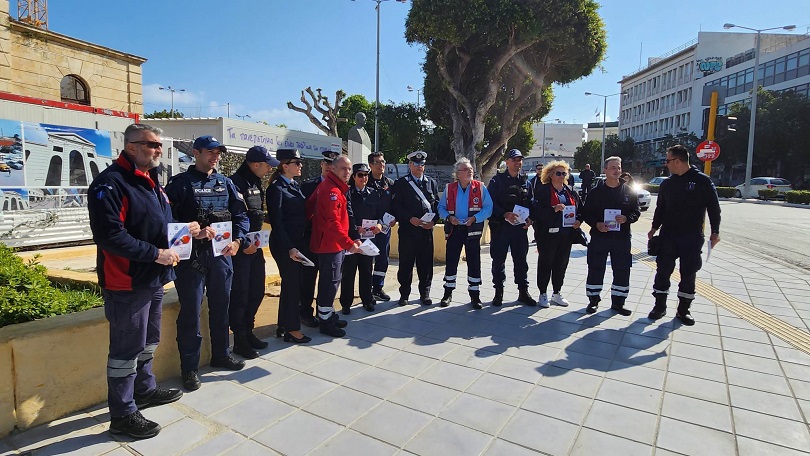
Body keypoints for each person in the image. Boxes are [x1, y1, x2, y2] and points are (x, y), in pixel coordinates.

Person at [88, 123, 195, 439]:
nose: (158, 150)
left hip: (153, 279)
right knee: (125, 351)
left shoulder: (150, 182)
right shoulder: (110, 184)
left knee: (149, 341)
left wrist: (186, 229)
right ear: (131, 146)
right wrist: (156, 254)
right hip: (126, 283)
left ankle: (144, 390)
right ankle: (122, 414)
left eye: (160, 146)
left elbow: (159, 224)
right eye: (152, 145)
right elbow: (110, 237)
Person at [164, 135, 250, 392]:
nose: (216, 156)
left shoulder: (226, 183)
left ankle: (221, 354)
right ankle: (189, 368)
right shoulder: (179, 185)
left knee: (222, 307)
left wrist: (238, 241)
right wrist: (192, 232)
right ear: (196, 152)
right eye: (211, 152)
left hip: (222, 257)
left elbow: (240, 216)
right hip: (192, 260)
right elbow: (167, 224)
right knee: (190, 312)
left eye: (219, 152)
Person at [648, 145, 721, 326]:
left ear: (678, 161)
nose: (666, 164)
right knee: (663, 271)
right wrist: (654, 228)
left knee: (688, 273)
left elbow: (714, 208)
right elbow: (661, 209)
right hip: (668, 236)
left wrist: (715, 232)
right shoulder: (667, 184)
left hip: (691, 237)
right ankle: (660, 306)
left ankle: (683, 310)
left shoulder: (702, 181)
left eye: (668, 161)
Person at [228, 146, 279, 359]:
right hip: (240, 248)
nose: (269, 169)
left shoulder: (256, 182)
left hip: (255, 246)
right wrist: (241, 242)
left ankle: (249, 331)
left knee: (257, 291)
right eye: (267, 165)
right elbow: (233, 217)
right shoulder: (235, 182)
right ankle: (239, 339)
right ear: (255, 164)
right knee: (240, 295)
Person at [308, 155, 362, 336]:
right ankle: (325, 323)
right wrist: (348, 244)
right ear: (333, 169)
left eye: (349, 169)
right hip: (330, 245)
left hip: (334, 244)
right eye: (343, 169)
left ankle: (327, 315)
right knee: (329, 284)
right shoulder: (331, 190)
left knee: (332, 281)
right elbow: (332, 222)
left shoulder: (336, 188)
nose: (347, 172)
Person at [266, 149, 314, 343]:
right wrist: (290, 248)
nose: (300, 165)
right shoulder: (276, 188)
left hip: (297, 242)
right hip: (285, 244)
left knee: (291, 284)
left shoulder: (294, 185)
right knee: (293, 284)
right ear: (285, 166)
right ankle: (292, 330)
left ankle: (283, 325)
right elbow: (277, 223)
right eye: (297, 162)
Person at [581, 157, 640, 316]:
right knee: (595, 267)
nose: (616, 170)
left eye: (618, 167)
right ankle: (593, 300)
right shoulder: (596, 192)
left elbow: (636, 212)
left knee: (622, 269)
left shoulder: (629, 191)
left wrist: (627, 218)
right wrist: (596, 224)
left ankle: (618, 302)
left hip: (621, 238)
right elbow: (587, 213)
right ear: (605, 170)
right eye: (612, 167)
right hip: (600, 237)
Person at [438, 158, 493, 309]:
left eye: (471, 170)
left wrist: (475, 218)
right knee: (451, 261)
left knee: (474, 262)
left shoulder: (480, 188)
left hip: (472, 229)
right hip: (455, 230)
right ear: (457, 174)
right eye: (466, 170)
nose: (470, 171)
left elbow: (488, 208)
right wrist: (449, 217)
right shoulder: (450, 189)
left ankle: (475, 296)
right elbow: (441, 208)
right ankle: (447, 293)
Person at [531, 160, 583, 308]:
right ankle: (543, 293)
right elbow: (536, 211)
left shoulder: (570, 191)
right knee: (545, 263)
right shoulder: (543, 190)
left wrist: (579, 220)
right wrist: (553, 209)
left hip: (566, 234)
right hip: (548, 234)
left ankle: (557, 293)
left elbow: (581, 210)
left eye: (564, 173)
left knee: (561, 264)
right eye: (558, 173)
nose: (561, 176)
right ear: (550, 175)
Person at [488, 149, 536, 306]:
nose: (518, 163)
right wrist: (504, 214)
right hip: (501, 228)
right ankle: (498, 292)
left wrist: (531, 219)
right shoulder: (497, 181)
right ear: (507, 162)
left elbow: (531, 204)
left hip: (519, 229)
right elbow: (489, 204)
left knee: (521, 261)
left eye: (520, 160)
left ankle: (523, 291)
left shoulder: (526, 182)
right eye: (514, 160)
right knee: (499, 260)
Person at [299, 150, 341, 328]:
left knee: (328, 280)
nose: (330, 167)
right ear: (322, 165)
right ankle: (306, 313)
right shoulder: (307, 186)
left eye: (333, 165)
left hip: (330, 242)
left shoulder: (340, 187)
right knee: (308, 278)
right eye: (327, 164)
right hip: (310, 240)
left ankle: (326, 313)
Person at [391, 151, 440, 306]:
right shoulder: (401, 183)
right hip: (408, 231)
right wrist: (409, 218)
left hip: (426, 232)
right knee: (406, 263)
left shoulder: (431, 182)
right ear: (410, 165)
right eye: (417, 164)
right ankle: (404, 294)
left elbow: (437, 205)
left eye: (422, 164)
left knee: (425, 264)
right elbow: (396, 206)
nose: (420, 167)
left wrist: (434, 221)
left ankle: (424, 293)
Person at [340, 163, 385, 314]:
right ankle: (346, 303)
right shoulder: (348, 193)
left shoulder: (373, 193)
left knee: (366, 271)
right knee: (349, 272)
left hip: (368, 240)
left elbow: (379, 213)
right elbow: (348, 215)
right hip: (352, 239)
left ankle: (367, 300)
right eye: (360, 175)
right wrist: (355, 230)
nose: (364, 178)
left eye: (366, 175)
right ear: (354, 177)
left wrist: (379, 225)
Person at [367, 151, 396, 301]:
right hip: (368, 229)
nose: (381, 165)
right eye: (377, 162)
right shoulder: (365, 181)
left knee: (383, 258)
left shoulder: (390, 184)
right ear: (371, 165)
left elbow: (395, 206)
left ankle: (377, 288)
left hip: (385, 228)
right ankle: (366, 291)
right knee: (366, 260)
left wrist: (394, 218)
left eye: (383, 161)